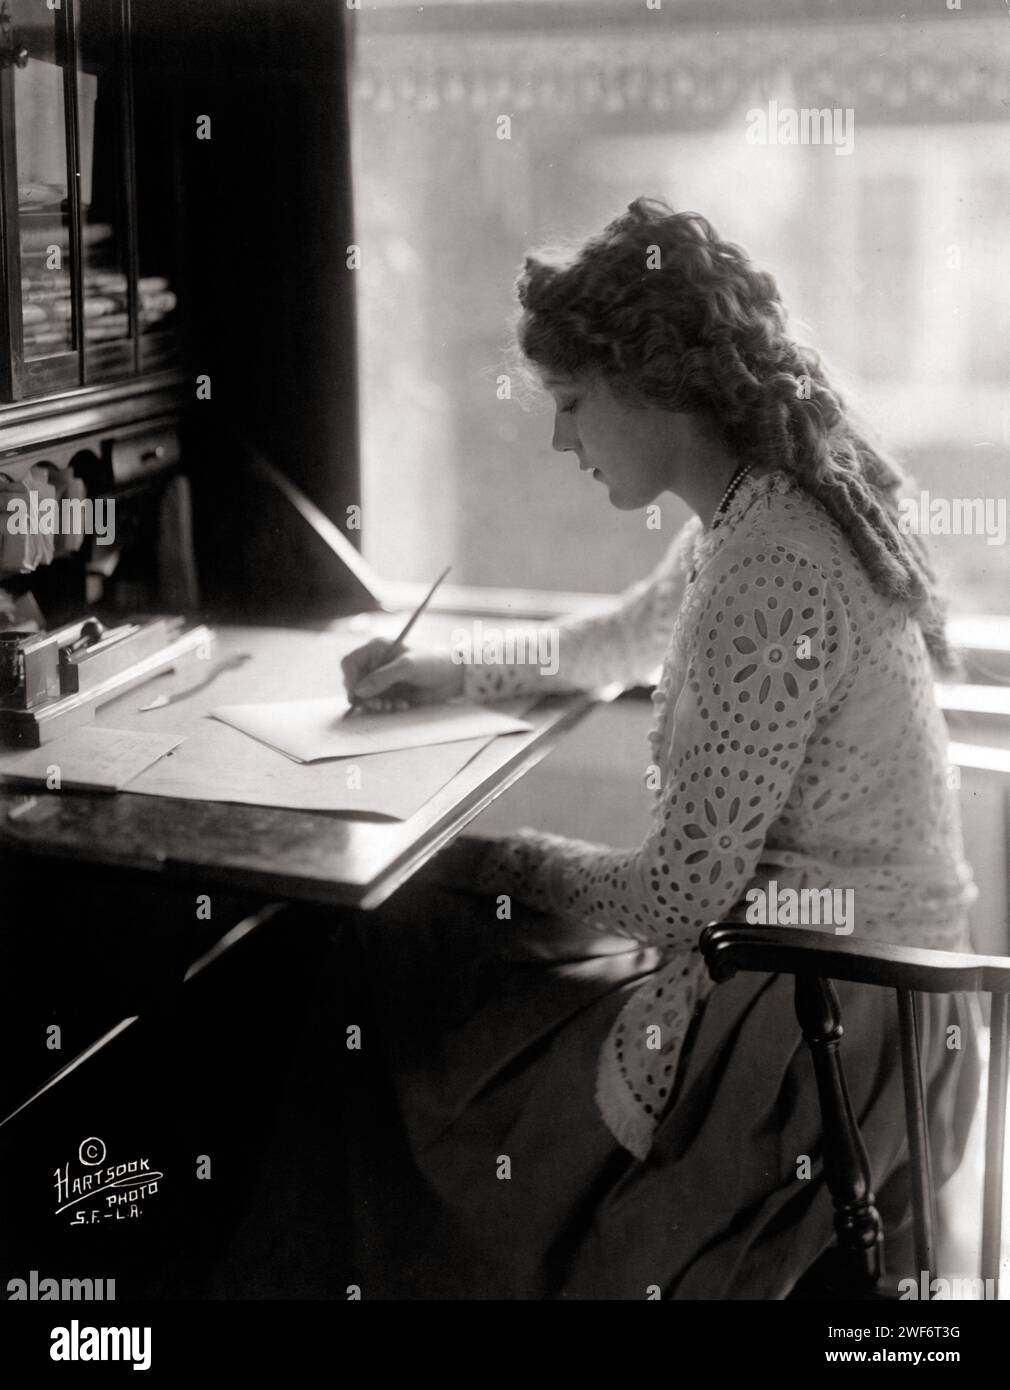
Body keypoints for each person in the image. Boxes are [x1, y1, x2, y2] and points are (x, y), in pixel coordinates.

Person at [224, 198, 982, 1300]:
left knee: (407, 961)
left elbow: (678, 896)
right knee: (426, 944)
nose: (559, 439)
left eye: (571, 404)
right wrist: (433, 669)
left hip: (826, 1021)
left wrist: (498, 860)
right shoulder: (751, 512)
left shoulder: (770, 562)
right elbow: (613, 637)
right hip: (831, 979)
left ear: (649, 383)